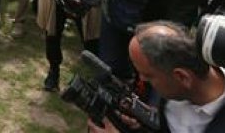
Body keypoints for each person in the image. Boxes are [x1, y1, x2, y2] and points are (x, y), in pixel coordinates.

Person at [87, 21, 225, 133]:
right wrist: (144, 126)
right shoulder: (177, 90)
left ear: (182, 77)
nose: (141, 79)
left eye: (148, 75)